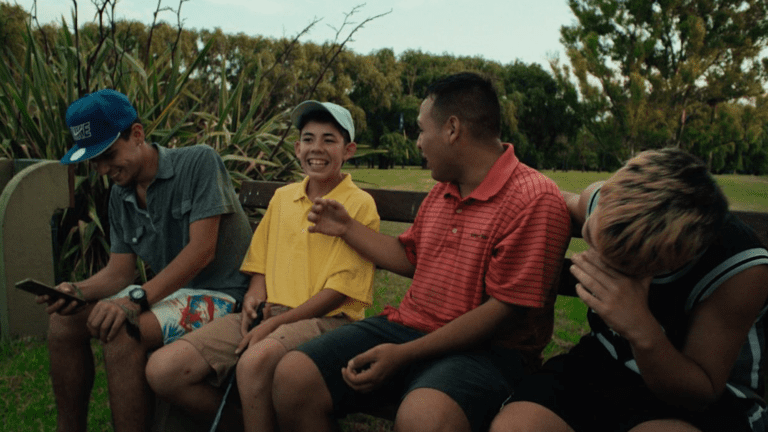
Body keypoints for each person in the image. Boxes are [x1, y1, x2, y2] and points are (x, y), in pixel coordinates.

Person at [270, 72, 572, 432]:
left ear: (452, 129)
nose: (417, 143)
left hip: (489, 352)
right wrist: (347, 227)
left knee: (423, 418)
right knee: (294, 375)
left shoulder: (534, 199)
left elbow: (503, 312)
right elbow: (411, 257)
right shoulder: (444, 190)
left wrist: (403, 355)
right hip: (409, 328)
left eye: (421, 129)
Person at [489, 148, 768, 432]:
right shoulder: (608, 202)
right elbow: (558, 200)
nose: (599, 258)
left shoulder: (738, 269)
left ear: (669, 262)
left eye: (621, 267)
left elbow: (701, 392)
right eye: (592, 237)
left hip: (697, 396)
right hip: (606, 362)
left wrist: (639, 327)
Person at [145, 100, 379, 432]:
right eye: (308, 139)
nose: (317, 148)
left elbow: (340, 292)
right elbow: (261, 265)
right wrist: (254, 300)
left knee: (254, 362)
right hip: (269, 316)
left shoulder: (359, 204)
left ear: (349, 150)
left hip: (327, 320)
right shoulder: (283, 198)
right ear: (297, 148)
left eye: (329, 140)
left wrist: (276, 323)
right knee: (163, 370)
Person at [37, 89, 252, 432]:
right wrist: (77, 290)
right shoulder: (120, 195)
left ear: (137, 134)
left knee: (124, 330)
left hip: (224, 296)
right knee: (65, 320)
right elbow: (119, 271)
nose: (103, 169)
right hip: (171, 296)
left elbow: (201, 252)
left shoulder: (198, 162)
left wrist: (135, 300)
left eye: (108, 155)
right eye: (94, 162)